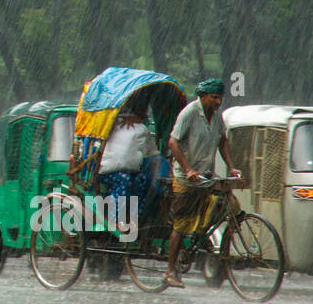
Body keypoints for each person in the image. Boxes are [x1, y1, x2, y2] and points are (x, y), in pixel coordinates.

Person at [163, 77, 242, 288]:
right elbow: (173, 142)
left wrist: (232, 167)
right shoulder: (189, 113)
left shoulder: (216, 116)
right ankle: (170, 270)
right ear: (203, 96)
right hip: (185, 178)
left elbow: (222, 141)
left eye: (220, 98)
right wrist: (188, 169)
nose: (218, 102)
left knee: (230, 206)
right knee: (182, 224)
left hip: (206, 175)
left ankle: (215, 252)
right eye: (214, 98)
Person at [98, 104, 157, 232]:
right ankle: (115, 219)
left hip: (125, 171)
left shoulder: (139, 128)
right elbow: (150, 152)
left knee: (143, 180)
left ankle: (134, 218)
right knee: (125, 180)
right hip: (105, 172)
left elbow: (150, 153)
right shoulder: (112, 124)